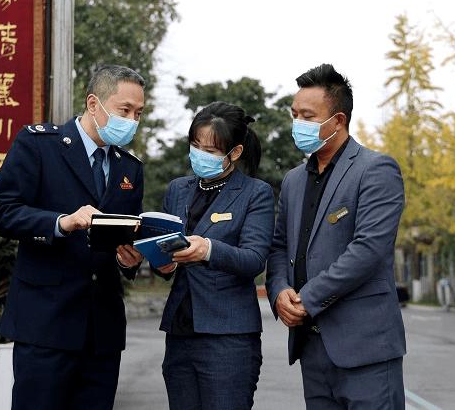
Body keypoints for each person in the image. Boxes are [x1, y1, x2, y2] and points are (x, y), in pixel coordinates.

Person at [0, 64, 147, 410]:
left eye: (138, 113)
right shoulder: (39, 144)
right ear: (94, 103)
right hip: (45, 324)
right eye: (125, 110)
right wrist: (62, 222)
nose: (132, 120)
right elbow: (0, 212)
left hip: (101, 332)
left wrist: (129, 260)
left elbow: (125, 238)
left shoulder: (130, 168)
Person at [265, 64, 407, 409]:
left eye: (308, 116)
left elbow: (368, 250)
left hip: (365, 349)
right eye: (294, 114)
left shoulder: (376, 169)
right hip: (311, 348)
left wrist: (306, 299)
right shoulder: (294, 180)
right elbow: (280, 245)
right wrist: (279, 291)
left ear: (338, 121)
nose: (298, 123)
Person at [156, 101, 275, 410]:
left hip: (228, 336)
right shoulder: (177, 189)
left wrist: (207, 250)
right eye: (195, 146)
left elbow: (253, 260)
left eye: (209, 151)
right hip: (180, 330)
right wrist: (161, 262)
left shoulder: (255, 193)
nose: (199, 155)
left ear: (234, 153)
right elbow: (166, 254)